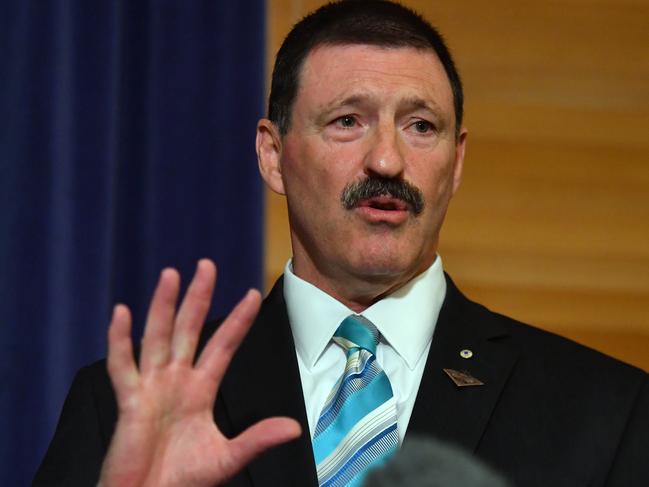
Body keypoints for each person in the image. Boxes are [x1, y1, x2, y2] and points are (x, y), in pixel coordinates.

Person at [34, 1, 649, 486]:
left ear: (456, 163)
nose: (387, 158)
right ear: (273, 156)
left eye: (420, 126)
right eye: (347, 121)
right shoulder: (124, 410)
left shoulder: (608, 412)